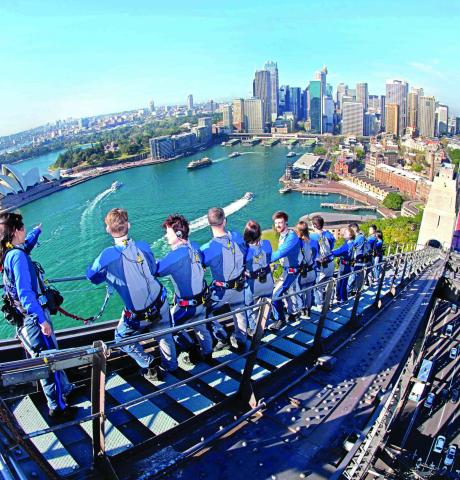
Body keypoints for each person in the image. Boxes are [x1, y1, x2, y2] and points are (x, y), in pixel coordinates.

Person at [0, 213, 76, 419]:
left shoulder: (11, 252)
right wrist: (42, 321)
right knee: (48, 362)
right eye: (23, 228)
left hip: (27, 318)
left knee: (51, 356)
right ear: (15, 231)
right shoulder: (17, 256)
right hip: (34, 320)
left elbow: (27, 245)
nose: (25, 230)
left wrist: (37, 231)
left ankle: (65, 389)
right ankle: (58, 408)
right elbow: (25, 293)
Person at [87, 208, 177, 380]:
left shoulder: (107, 256)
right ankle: (172, 367)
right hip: (161, 301)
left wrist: (106, 275)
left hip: (139, 315)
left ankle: (148, 363)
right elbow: (152, 269)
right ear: (128, 225)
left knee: (120, 338)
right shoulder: (143, 246)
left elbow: (92, 276)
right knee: (164, 333)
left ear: (108, 229)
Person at [155, 214, 213, 364]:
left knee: (170, 329)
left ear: (178, 234)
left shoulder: (176, 255)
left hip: (187, 307)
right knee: (201, 328)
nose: (166, 236)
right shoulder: (195, 247)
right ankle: (208, 355)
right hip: (201, 302)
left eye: (168, 232)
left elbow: (156, 270)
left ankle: (192, 350)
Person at [200, 207, 248, 352]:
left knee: (204, 312)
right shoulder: (238, 237)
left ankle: (221, 336)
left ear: (209, 224)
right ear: (225, 221)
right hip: (240, 284)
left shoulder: (207, 248)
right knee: (239, 312)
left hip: (222, 290)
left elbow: (199, 267)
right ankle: (241, 340)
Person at [269, 211, 301, 331]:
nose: (277, 225)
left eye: (280, 222)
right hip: (287, 270)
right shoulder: (283, 235)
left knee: (275, 295)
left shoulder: (291, 237)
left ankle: (281, 320)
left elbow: (280, 253)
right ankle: (292, 314)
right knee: (288, 294)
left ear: (286, 222)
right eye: (276, 223)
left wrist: (262, 260)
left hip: (291, 272)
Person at [243, 220, 274, 335]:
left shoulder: (245, 250)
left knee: (249, 307)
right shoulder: (267, 244)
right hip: (268, 281)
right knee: (266, 305)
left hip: (253, 284)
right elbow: (269, 258)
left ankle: (253, 330)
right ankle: (264, 326)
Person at [309, 215, 335, 309]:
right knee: (329, 284)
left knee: (317, 286)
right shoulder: (329, 234)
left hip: (320, 265)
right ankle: (329, 302)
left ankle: (319, 305)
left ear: (314, 225)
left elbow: (312, 252)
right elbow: (331, 247)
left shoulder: (312, 236)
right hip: (330, 262)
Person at [294, 221, 318, 318]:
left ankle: (302, 310)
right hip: (311, 271)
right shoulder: (311, 241)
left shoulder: (298, 243)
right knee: (309, 292)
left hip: (302, 273)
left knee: (299, 292)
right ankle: (308, 310)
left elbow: (297, 259)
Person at [332, 227, 355, 303]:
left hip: (344, 267)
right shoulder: (351, 243)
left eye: (346, 233)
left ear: (350, 235)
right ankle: (343, 298)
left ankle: (341, 299)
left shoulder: (348, 245)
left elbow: (337, 252)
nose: (344, 234)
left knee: (341, 283)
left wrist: (329, 252)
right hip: (348, 266)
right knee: (343, 282)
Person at [348, 222, 366, 294]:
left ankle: (348, 290)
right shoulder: (361, 236)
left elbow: (350, 245)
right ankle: (354, 289)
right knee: (356, 275)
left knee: (353, 275)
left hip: (358, 259)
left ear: (354, 229)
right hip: (359, 259)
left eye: (351, 230)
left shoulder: (359, 237)